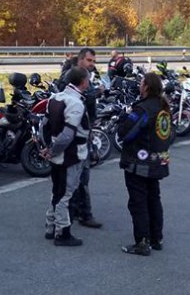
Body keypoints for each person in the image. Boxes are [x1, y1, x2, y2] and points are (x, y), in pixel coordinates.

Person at [117, 72, 174, 256]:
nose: (139, 86)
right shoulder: (164, 107)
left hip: (139, 163)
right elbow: (170, 135)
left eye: (141, 83)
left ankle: (142, 242)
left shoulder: (143, 109)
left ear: (147, 87)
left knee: (138, 202)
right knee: (153, 199)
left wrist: (123, 118)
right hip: (158, 161)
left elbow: (125, 133)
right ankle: (157, 238)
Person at [41, 67, 90, 247]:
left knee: (57, 190)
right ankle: (62, 232)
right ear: (83, 82)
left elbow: (44, 126)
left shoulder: (55, 98)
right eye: (88, 79)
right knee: (66, 194)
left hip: (59, 153)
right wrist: (53, 150)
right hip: (71, 155)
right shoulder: (76, 103)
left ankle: (50, 226)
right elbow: (68, 135)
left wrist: (47, 147)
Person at [65, 48, 103, 228]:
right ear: (80, 60)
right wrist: (97, 92)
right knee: (77, 175)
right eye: (89, 60)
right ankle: (79, 215)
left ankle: (78, 213)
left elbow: (89, 104)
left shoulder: (88, 76)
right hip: (73, 133)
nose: (92, 64)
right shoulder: (70, 76)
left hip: (84, 131)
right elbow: (76, 98)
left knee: (82, 176)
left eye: (93, 61)